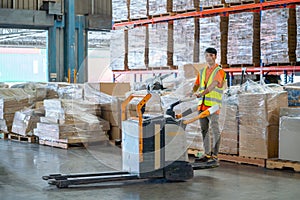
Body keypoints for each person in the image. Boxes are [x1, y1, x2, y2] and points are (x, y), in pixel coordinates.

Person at [191, 47, 226, 163]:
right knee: (204, 130)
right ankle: (207, 154)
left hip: (213, 106)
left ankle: (215, 155)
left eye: (211, 55)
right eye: (206, 55)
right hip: (202, 106)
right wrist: (191, 92)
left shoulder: (219, 71)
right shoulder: (202, 72)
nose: (208, 57)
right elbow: (196, 85)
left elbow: (213, 85)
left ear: (215, 57)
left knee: (215, 130)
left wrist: (202, 93)